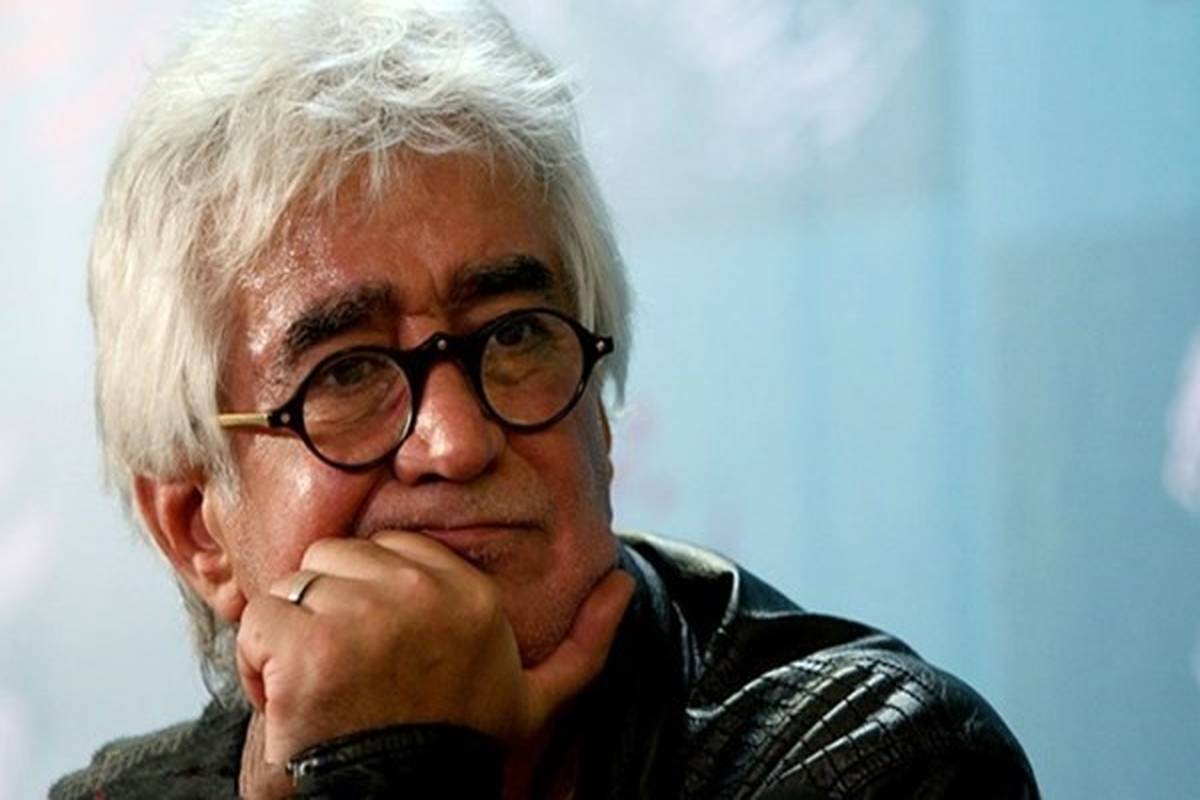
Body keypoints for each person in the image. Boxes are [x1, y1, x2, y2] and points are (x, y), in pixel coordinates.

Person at [52, 1, 1039, 797]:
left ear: (599, 416)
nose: (456, 438)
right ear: (199, 526)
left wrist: (393, 774)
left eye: (516, 335)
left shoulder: (878, 759)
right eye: (345, 372)